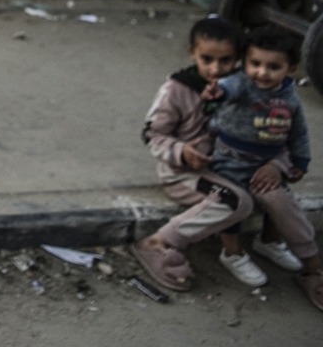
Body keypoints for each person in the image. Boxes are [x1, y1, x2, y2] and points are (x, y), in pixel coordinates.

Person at [131, 16, 292, 290]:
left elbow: (275, 133)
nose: (216, 68)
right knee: (237, 201)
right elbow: (152, 134)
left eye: (226, 61)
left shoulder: (250, 90)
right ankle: (158, 242)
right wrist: (182, 152)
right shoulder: (176, 89)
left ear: (238, 58)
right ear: (192, 52)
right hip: (185, 173)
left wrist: (277, 164)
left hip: (234, 166)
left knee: (275, 189)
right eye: (207, 59)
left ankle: (268, 241)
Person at [201, 25, 323, 310]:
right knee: (233, 202)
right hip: (229, 162)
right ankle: (231, 253)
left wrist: (299, 162)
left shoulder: (290, 96)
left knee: (279, 201)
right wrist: (216, 93)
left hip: (268, 164)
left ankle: (276, 245)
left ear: (291, 69)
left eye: (273, 67)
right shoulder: (241, 84)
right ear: (246, 63)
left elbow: (299, 134)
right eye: (255, 64)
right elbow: (227, 90)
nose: (262, 73)